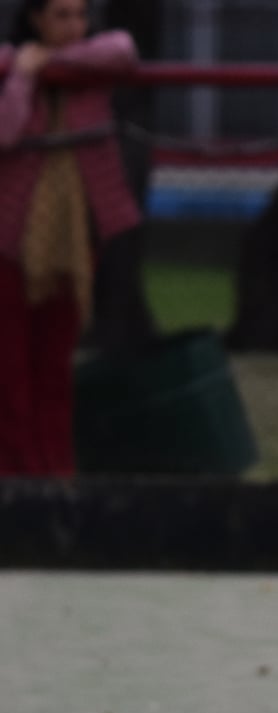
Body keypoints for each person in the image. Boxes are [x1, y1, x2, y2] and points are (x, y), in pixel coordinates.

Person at [0, 0, 137, 478]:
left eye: (80, 15)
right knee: (10, 365)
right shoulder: (12, 69)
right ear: (34, 17)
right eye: (61, 15)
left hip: (75, 237)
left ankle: (57, 473)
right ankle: (17, 476)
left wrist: (48, 63)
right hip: (11, 240)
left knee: (55, 360)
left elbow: (122, 51)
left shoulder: (92, 63)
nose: (74, 26)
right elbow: (6, 130)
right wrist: (22, 75)